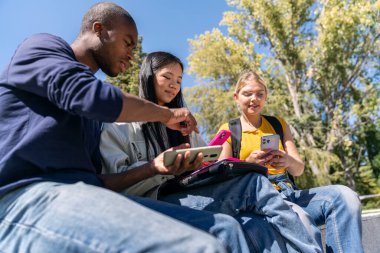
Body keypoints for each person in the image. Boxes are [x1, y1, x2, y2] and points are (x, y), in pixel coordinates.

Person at [0, 3, 258, 253]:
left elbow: (98, 183)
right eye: (127, 43)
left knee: (225, 230)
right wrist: (164, 114)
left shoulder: (91, 123)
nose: (132, 55)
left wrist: (154, 167)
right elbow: (90, 96)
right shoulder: (43, 47)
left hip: (85, 199)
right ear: (99, 29)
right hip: (22, 196)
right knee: (199, 247)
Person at [100, 51, 323, 253]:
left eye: (178, 80)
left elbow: (212, 163)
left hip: (190, 192)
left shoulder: (186, 126)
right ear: (148, 76)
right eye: (167, 77)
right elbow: (117, 183)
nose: (174, 85)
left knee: (255, 219)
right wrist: (159, 169)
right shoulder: (120, 125)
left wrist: (202, 164)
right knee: (252, 189)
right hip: (152, 200)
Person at [217, 70, 364, 253]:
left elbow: (298, 169)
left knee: (345, 197)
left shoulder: (278, 124)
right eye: (248, 94)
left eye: (260, 94)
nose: (254, 99)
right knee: (300, 219)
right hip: (257, 199)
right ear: (236, 97)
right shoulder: (228, 130)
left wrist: (287, 161)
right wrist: (248, 163)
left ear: (266, 97)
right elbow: (221, 178)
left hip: (289, 191)